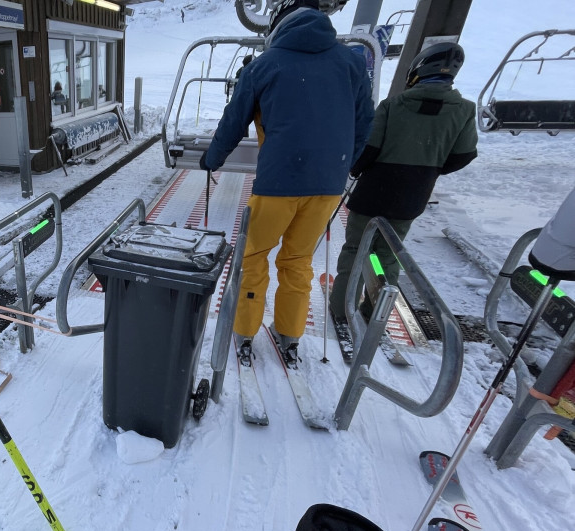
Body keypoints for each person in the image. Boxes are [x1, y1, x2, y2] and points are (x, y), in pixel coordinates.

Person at [199, 0, 373, 367]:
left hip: (277, 181)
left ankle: (245, 332)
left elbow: (234, 122)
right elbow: (363, 125)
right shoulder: (352, 64)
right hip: (328, 186)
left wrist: (212, 160)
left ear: (277, 29)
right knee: (297, 261)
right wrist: (343, 167)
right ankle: (290, 334)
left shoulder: (265, 65)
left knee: (254, 256)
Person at [328, 42, 478, 326]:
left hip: (373, 192)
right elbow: (464, 154)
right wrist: (429, 169)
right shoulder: (464, 110)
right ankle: (375, 313)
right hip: (412, 197)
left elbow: (367, 150)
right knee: (388, 253)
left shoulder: (394, 105)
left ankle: (341, 308)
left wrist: (357, 168)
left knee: (357, 250)